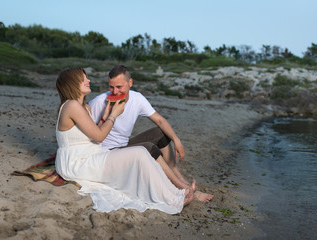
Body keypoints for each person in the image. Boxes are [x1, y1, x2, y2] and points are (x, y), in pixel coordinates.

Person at [54, 67, 195, 214]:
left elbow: (93, 134)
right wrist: (113, 115)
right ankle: (173, 199)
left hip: (91, 154)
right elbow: (100, 137)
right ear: (72, 83)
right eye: (83, 78)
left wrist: (106, 116)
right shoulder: (72, 105)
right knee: (140, 152)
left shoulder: (83, 107)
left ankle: (176, 193)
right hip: (78, 163)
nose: (88, 80)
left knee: (142, 152)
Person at [89, 64, 213, 203]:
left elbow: (159, 120)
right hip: (107, 154)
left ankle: (182, 182)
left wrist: (177, 140)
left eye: (119, 87)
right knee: (148, 147)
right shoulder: (99, 103)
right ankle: (185, 189)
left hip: (124, 147)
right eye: (111, 87)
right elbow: (86, 134)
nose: (115, 92)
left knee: (161, 133)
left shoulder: (138, 98)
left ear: (130, 83)